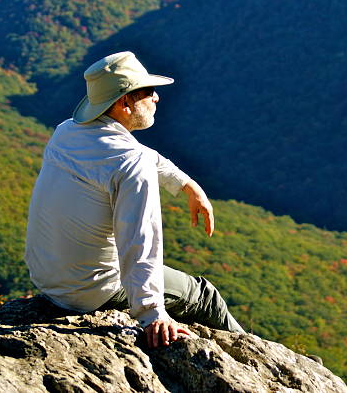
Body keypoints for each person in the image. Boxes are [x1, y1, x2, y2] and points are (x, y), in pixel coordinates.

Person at [24, 51, 244, 348]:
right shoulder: (131, 163)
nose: (157, 98)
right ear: (124, 102)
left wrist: (185, 184)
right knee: (204, 297)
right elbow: (140, 239)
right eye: (148, 92)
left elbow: (140, 156)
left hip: (48, 278)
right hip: (90, 290)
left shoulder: (68, 132)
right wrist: (152, 313)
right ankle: (258, 353)